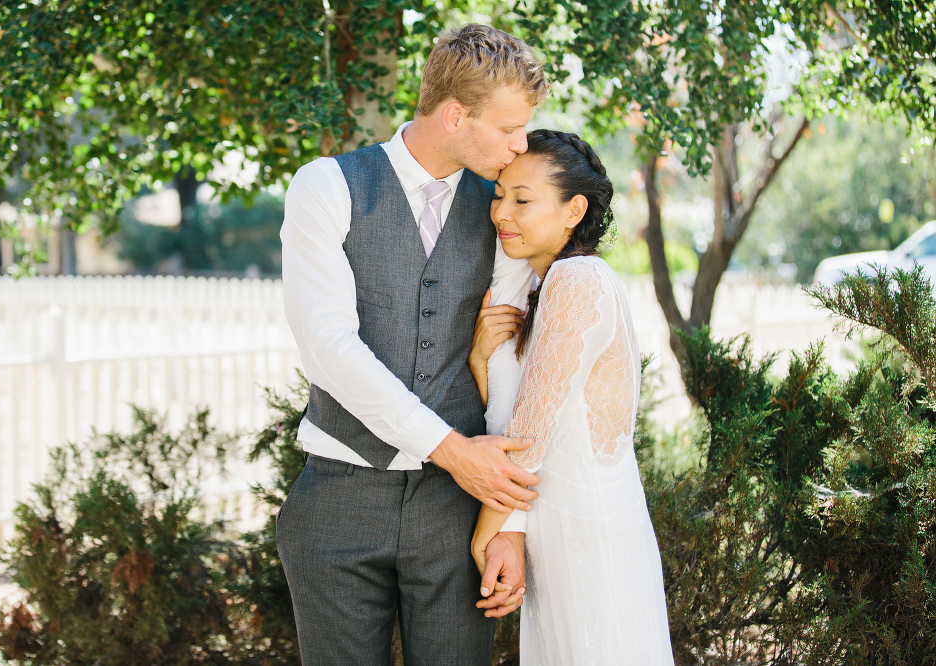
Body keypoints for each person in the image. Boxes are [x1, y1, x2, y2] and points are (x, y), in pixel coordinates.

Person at [277, 25, 549, 666]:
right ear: (456, 115)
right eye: (510, 128)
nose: (522, 145)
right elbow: (328, 349)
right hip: (339, 498)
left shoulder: (501, 208)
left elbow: (514, 360)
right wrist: (455, 451)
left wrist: (509, 521)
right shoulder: (327, 187)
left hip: (453, 516)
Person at [469, 130, 676, 664]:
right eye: (498, 195)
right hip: (555, 529)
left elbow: (529, 436)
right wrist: (477, 359)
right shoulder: (545, 286)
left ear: (573, 209)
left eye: (522, 199)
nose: (501, 213)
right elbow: (523, 413)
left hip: (589, 531)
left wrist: (486, 534)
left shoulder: (577, 279)